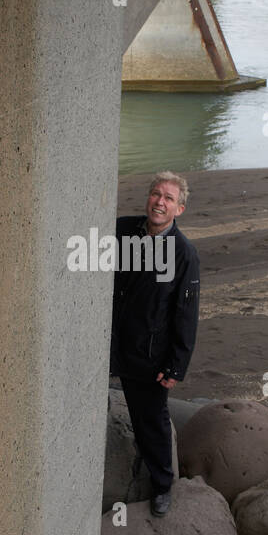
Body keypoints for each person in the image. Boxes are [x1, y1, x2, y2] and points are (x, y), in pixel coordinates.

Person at [110, 172, 200, 517]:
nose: (159, 202)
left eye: (168, 198)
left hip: (148, 352)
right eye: (155, 194)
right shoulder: (122, 229)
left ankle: (163, 485)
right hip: (110, 343)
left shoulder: (183, 253)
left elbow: (186, 313)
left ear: (179, 209)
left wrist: (176, 364)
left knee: (152, 420)